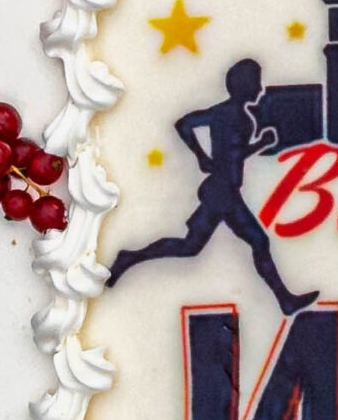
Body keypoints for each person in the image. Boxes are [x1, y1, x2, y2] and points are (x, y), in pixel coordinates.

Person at [105, 59, 317, 314]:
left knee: (191, 246)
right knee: (256, 241)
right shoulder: (225, 113)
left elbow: (233, 155)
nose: (260, 88)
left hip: (225, 190)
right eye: (255, 82)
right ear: (243, 85)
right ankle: (285, 300)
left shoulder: (243, 117)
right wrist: (200, 156)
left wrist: (259, 145)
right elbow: (183, 124)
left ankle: (130, 257)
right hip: (222, 192)